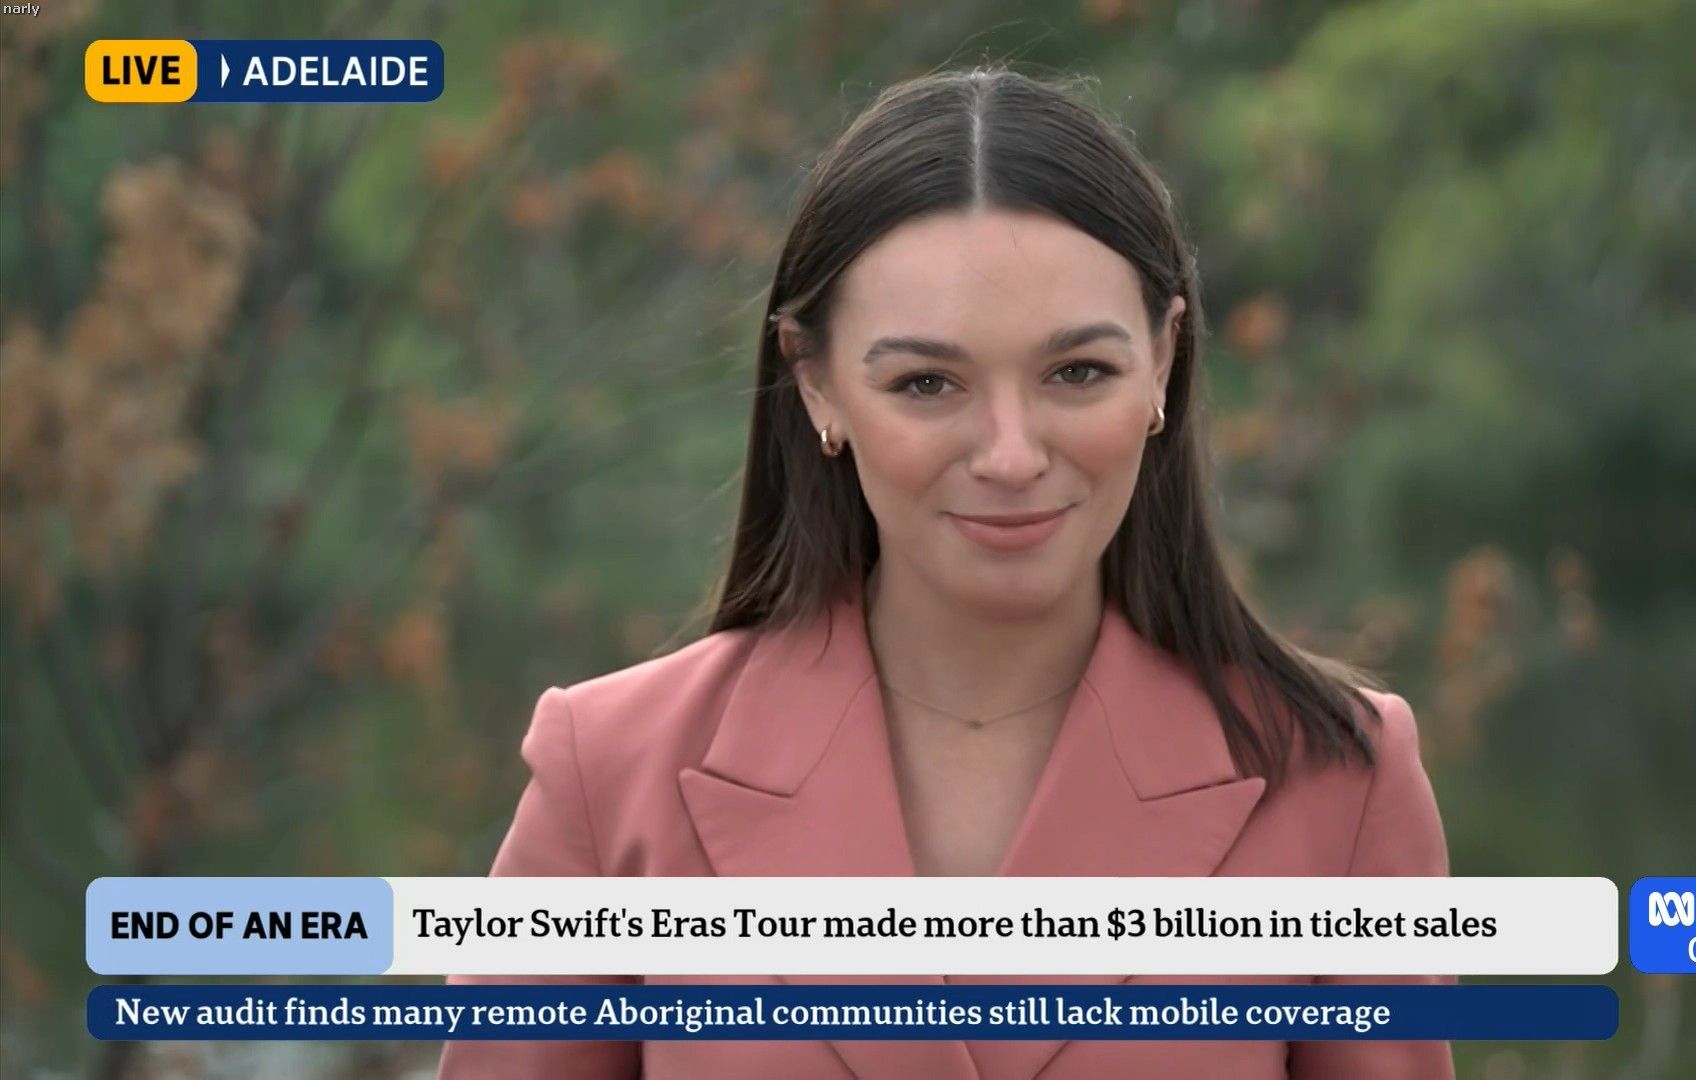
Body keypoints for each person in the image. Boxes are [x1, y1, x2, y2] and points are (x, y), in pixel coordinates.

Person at [440, 65, 1452, 1079]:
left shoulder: (1337, 779)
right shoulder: (612, 773)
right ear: (815, 382)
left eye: (1077, 373)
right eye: (928, 383)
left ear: (1163, 361)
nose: (1010, 455)